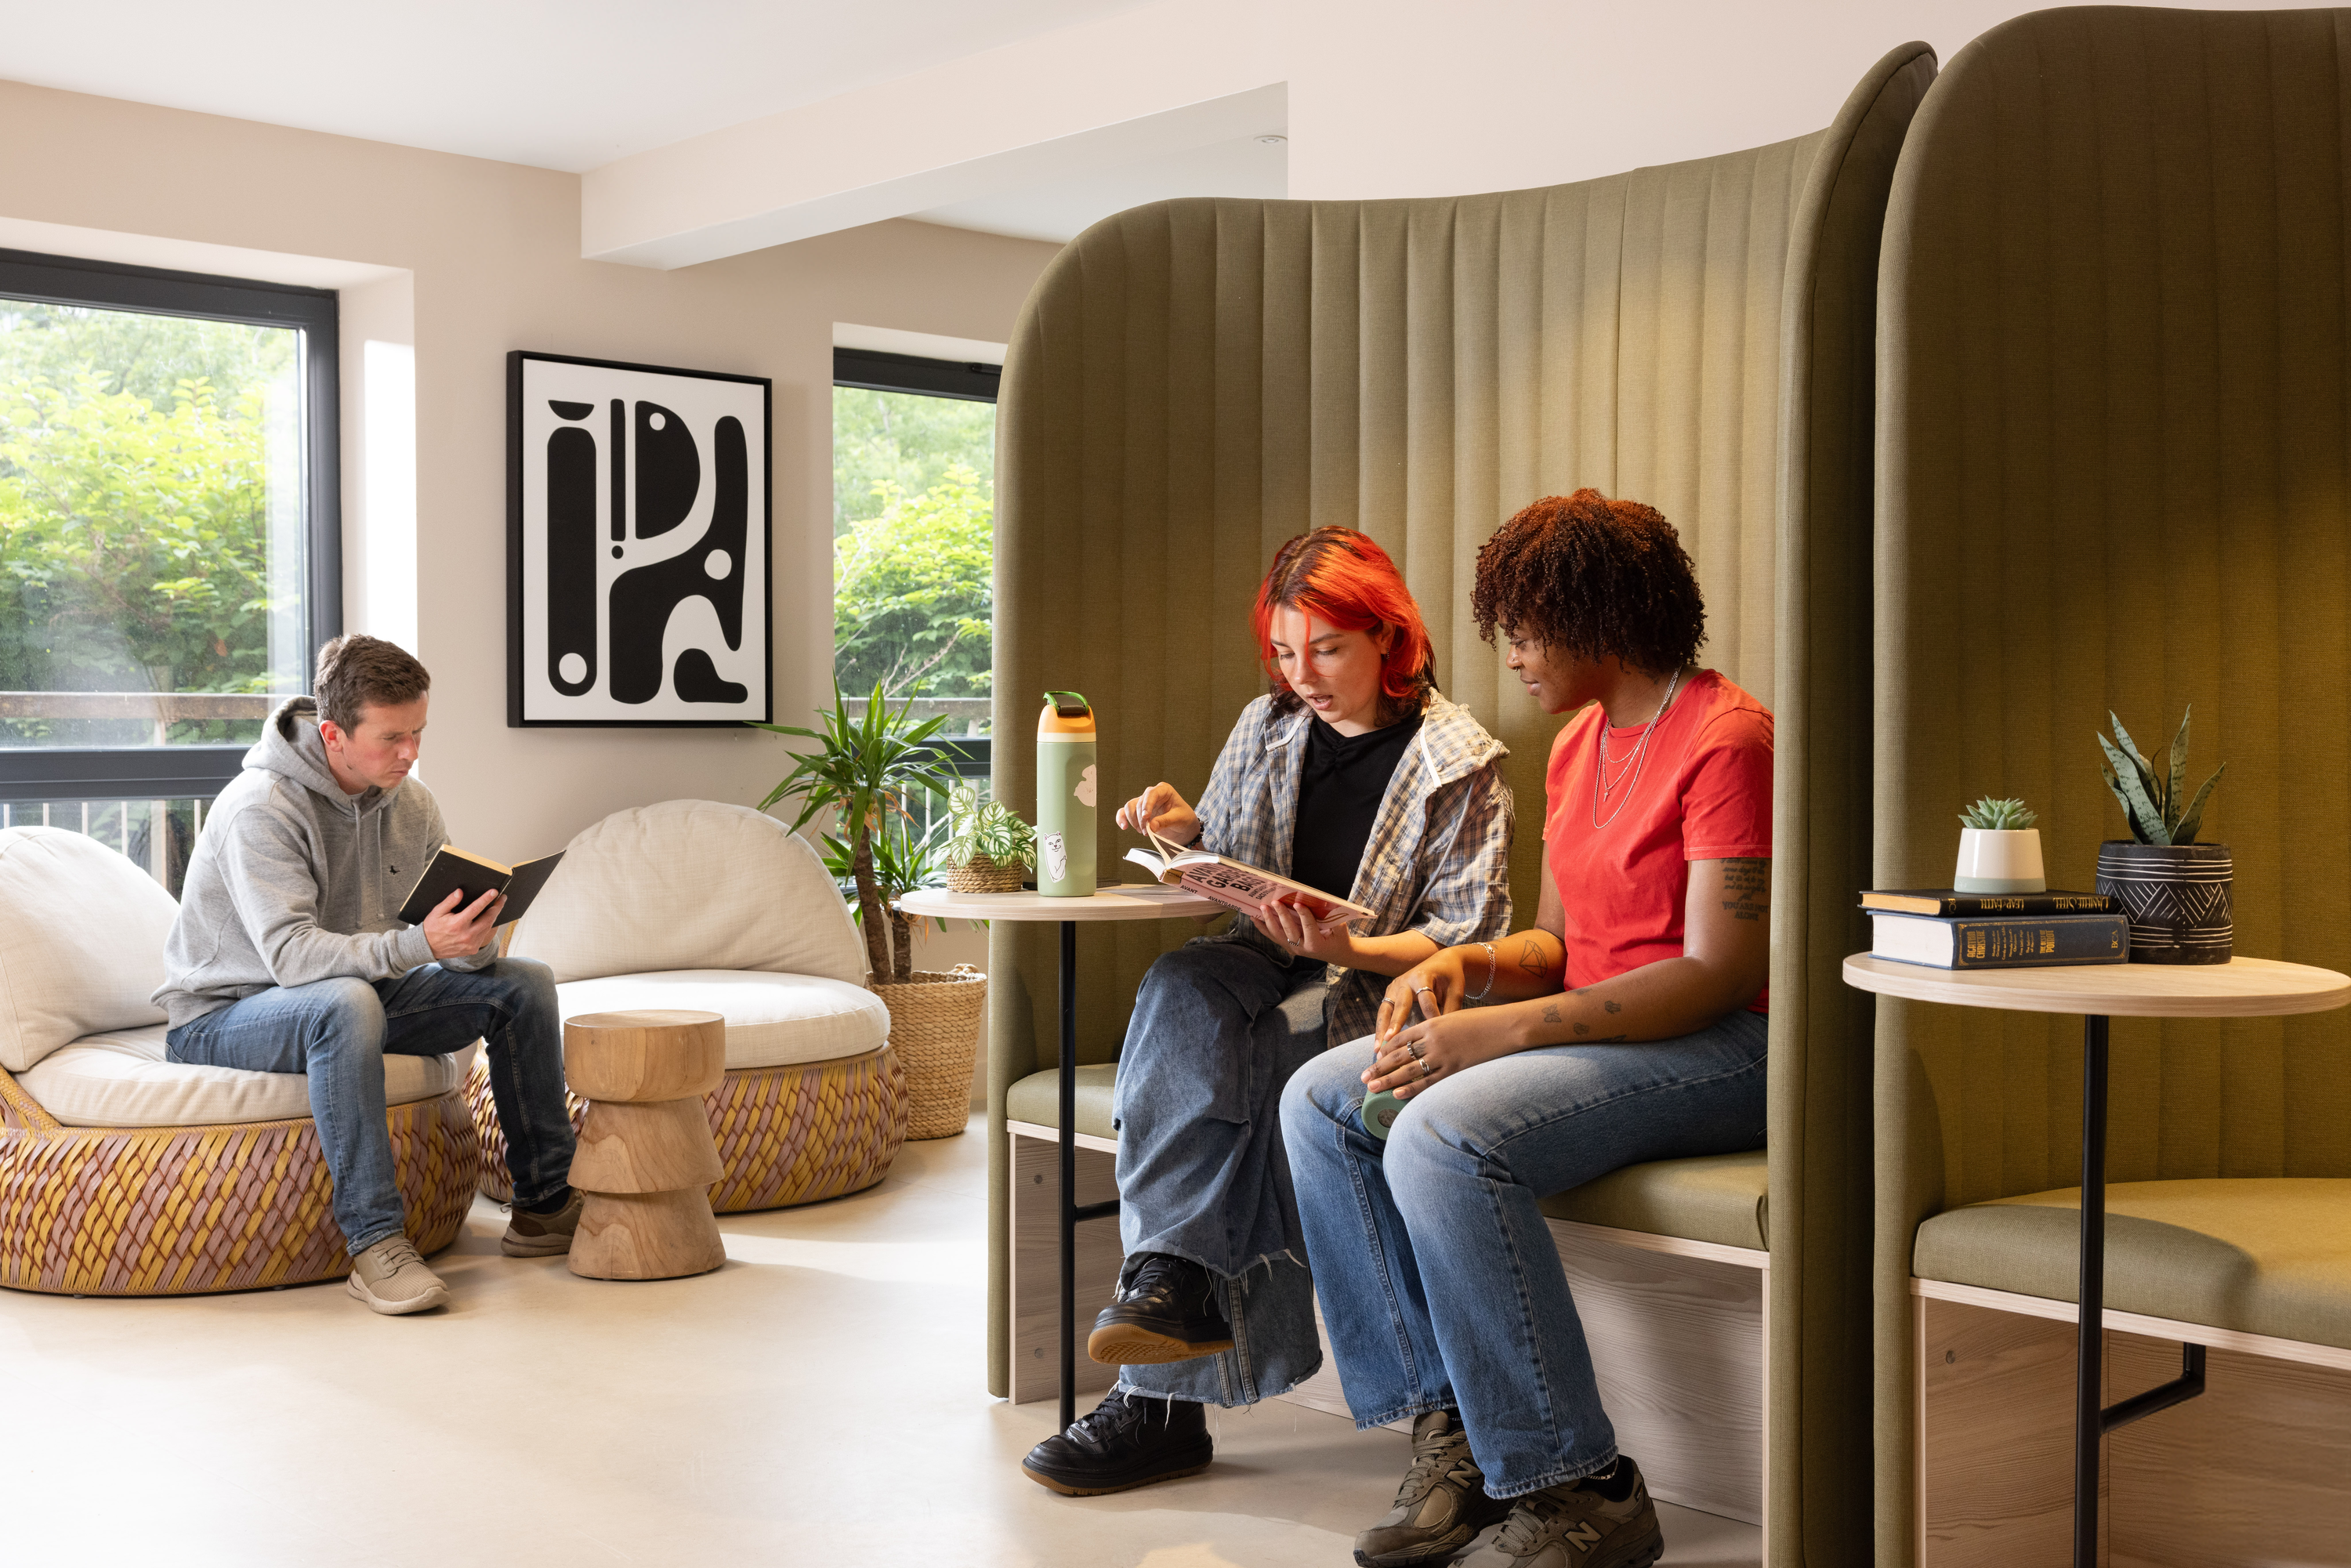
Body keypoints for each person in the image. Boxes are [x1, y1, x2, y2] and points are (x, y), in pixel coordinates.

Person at [1281, 490, 1773, 1568]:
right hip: (1609, 1040)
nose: (1507, 655)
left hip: (1727, 1049)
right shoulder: (1579, 743)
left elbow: (1719, 970)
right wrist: (1471, 965)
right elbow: (1559, 942)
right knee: (1317, 1100)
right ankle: (1453, 1430)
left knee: (1443, 1133)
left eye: (1523, 626)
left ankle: (1579, 1485)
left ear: (1598, 615)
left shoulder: (1729, 739)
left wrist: (1500, 1036)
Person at [1020, 527, 1514, 1497]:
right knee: (1176, 990)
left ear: (1388, 635)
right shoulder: (1269, 724)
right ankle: (1169, 1294)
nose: (1305, 676)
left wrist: (1351, 949)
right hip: (1256, 969)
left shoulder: (1460, 762)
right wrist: (1186, 832)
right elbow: (1229, 881)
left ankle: (1161, 1385)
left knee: (1242, 1077)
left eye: (1326, 650)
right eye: (1286, 653)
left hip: (1376, 996)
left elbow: (1473, 936)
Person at [156, 634, 581, 1316]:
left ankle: (545, 1204)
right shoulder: (260, 807)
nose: (410, 753)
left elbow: (433, 947)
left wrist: (470, 939)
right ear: (334, 734)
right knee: (346, 1004)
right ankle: (376, 1239)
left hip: (356, 996)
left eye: (418, 733)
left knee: (522, 984)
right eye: (392, 737)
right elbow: (294, 961)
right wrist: (419, 945)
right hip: (223, 1014)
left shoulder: (411, 802)